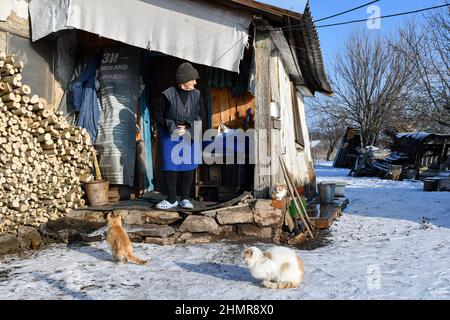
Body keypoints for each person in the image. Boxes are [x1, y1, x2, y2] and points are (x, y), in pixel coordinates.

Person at [155, 62, 204, 210]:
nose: (196, 82)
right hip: (170, 135)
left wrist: (189, 125)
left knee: (188, 165)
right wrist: (172, 126)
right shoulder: (167, 95)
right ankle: (171, 199)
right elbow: (157, 116)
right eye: (193, 79)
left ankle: (184, 198)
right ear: (184, 81)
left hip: (190, 135)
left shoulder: (197, 94)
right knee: (171, 166)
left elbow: (201, 115)